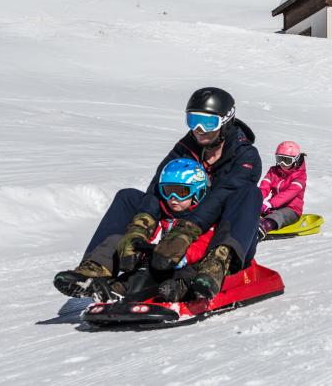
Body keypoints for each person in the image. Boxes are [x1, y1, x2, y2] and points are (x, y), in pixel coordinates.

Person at [53, 87, 262, 301]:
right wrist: (140, 227)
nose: (198, 129)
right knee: (129, 197)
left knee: (249, 194)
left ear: (225, 122)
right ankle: (97, 265)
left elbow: (221, 196)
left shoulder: (245, 156)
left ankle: (216, 264)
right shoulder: (186, 147)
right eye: (192, 120)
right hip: (175, 228)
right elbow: (156, 187)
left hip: (220, 232)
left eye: (208, 123)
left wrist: (185, 232)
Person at [54, 158, 213, 301]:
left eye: (181, 192)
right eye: (167, 191)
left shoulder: (201, 219)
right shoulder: (163, 214)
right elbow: (152, 235)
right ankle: (93, 276)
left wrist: (183, 257)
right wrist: (137, 244)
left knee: (186, 272)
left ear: (197, 192)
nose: (173, 198)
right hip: (156, 261)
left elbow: (205, 243)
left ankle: (179, 290)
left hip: (181, 264)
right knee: (116, 241)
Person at [257, 141, 307, 240]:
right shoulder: (273, 171)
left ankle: (264, 226)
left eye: (287, 160)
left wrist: (270, 204)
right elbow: (265, 186)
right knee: (253, 209)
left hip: (292, 210)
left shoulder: (300, 176)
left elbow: (289, 193)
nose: (282, 164)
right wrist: (256, 199)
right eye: (279, 159)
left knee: (278, 215)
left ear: (296, 160)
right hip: (274, 207)